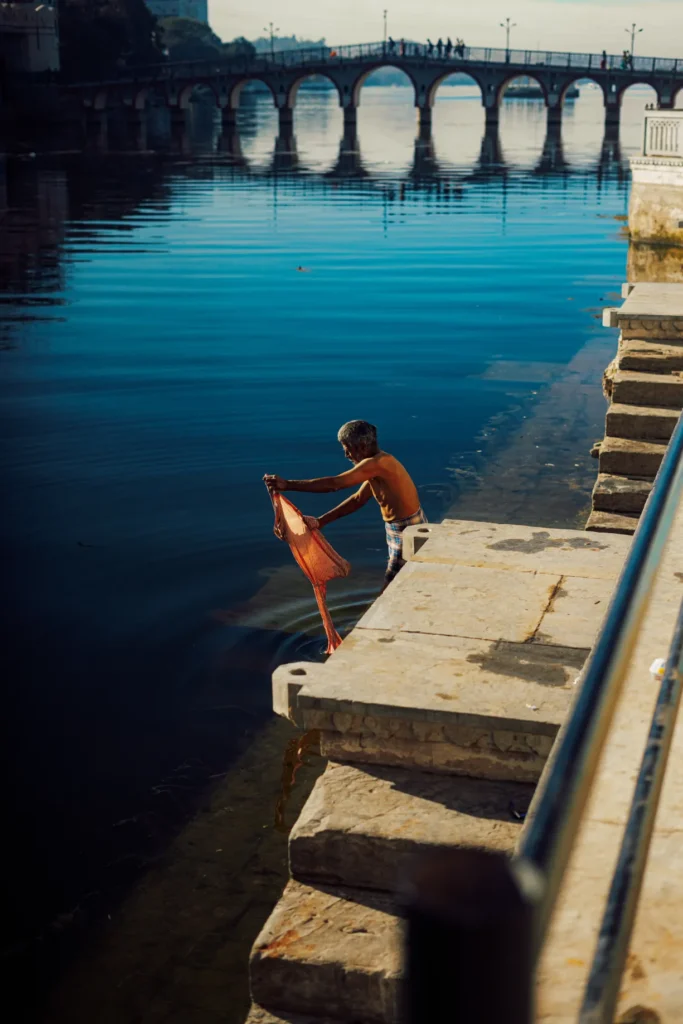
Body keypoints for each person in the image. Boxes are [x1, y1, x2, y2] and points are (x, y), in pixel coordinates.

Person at [264, 420, 426, 588]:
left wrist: (288, 484)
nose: (346, 455)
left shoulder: (378, 464)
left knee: (392, 586)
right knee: (403, 580)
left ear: (362, 446)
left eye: (347, 450)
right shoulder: (378, 465)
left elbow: (335, 484)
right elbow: (357, 500)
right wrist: (320, 521)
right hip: (401, 527)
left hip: (407, 528)